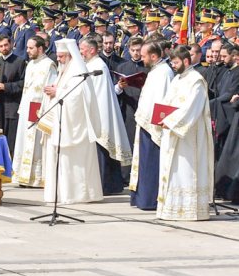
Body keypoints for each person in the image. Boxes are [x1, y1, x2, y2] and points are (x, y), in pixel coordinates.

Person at [39, 39, 105, 205]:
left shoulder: (78, 69)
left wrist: (57, 91)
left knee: (74, 163)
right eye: (58, 56)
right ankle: (61, 193)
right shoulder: (64, 69)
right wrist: (54, 89)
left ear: (69, 55)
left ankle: (78, 195)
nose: (59, 60)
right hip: (62, 124)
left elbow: (78, 95)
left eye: (61, 56)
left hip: (76, 127)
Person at [154, 46, 214, 221]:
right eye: (172, 62)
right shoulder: (178, 79)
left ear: (186, 61)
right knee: (172, 171)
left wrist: (171, 122)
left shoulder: (196, 81)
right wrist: (159, 117)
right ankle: (170, 208)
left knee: (185, 171)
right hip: (171, 132)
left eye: (176, 62)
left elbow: (191, 109)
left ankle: (189, 210)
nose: (173, 65)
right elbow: (167, 102)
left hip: (188, 135)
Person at [78, 34, 133, 195]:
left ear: (92, 50)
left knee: (102, 153)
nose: (81, 52)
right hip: (94, 113)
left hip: (100, 115)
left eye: (83, 49)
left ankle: (106, 185)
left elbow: (98, 94)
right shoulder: (91, 64)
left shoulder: (98, 66)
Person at [130, 40, 172, 211]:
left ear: (154, 56)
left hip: (153, 126)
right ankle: (142, 198)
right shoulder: (156, 71)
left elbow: (163, 100)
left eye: (144, 56)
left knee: (151, 164)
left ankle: (150, 199)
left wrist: (156, 123)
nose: (141, 59)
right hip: (144, 122)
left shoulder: (164, 73)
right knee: (143, 163)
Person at [12, 35, 57, 187]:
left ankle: (36, 178)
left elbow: (50, 90)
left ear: (40, 48)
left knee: (36, 144)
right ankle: (23, 175)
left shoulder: (49, 65)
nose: (28, 51)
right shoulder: (30, 64)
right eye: (28, 48)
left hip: (38, 109)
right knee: (24, 140)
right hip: (26, 107)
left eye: (31, 48)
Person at [0, 34, 26, 147]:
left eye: (6, 45)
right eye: (1, 46)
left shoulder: (20, 62)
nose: (4, 48)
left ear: (11, 44)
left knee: (10, 141)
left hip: (12, 106)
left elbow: (23, 84)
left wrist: (6, 87)